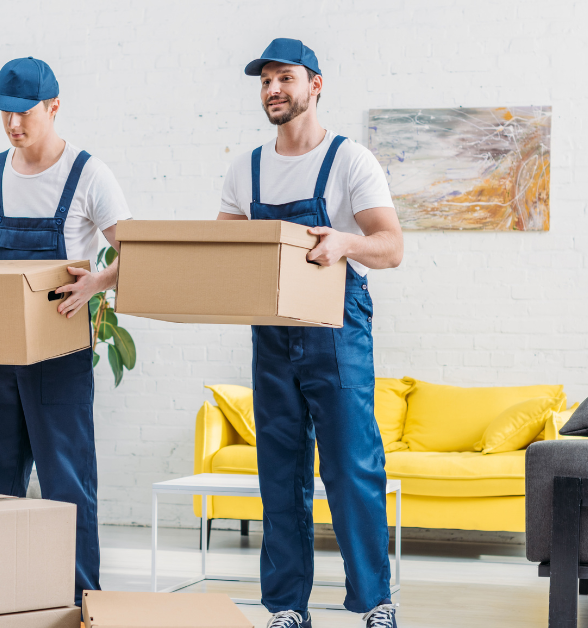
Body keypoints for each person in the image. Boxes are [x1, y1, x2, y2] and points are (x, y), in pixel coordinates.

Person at [217, 38, 404, 628]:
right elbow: (223, 249)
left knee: (351, 467)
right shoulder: (245, 168)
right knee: (279, 469)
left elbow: (391, 247)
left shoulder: (350, 161)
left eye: (285, 79)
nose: (274, 90)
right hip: (271, 334)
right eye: (266, 81)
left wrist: (345, 241)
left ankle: (376, 602)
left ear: (314, 84)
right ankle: (285, 608)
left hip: (336, 330)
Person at [0, 56, 131, 606]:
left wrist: (98, 282)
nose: (13, 124)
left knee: (66, 483)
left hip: (60, 352)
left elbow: (140, 250)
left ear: (53, 106)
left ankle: (79, 600)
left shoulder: (88, 174)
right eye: (4, 113)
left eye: (23, 112)